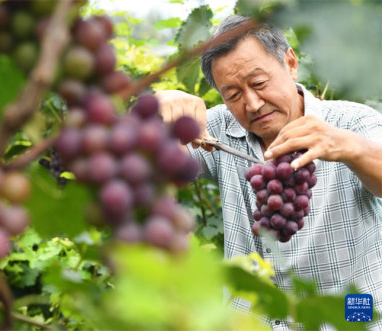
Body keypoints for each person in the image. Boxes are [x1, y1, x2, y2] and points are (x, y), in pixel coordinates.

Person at [156, 15, 382, 330]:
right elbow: (149, 165)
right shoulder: (217, 129)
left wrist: (351, 148)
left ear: (290, 63)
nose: (252, 103)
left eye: (259, 83)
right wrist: (155, 114)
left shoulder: (351, 123)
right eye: (232, 94)